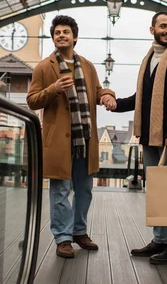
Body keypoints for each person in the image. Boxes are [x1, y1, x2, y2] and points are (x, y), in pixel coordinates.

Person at [108, 11, 167, 265]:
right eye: (163, 26)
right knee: (158, 190)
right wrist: (115, 105)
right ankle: (160, 239)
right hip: (149, 136)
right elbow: (142, 98)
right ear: (152, 30)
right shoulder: (149, 59)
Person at [27, 15, 116, 258]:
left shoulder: (87, 66)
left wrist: (107, 95)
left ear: (75, 37)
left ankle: (79, 231)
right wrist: (53, 89)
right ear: (53, 37)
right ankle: (63, 238)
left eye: (66, 32)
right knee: (60, 190)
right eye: (57, 32)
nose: (62, 35)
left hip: (85, 138)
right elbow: (32, 100)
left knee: (84, 190)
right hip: (58, 141)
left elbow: (97, 90)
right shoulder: (44, 67)